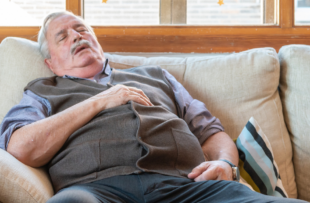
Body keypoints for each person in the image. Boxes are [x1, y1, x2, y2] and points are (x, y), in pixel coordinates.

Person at [0, 11, 306, 203]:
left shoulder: (156, 76)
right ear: (50, 62)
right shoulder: (42, 91)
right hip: (94, 190)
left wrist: (226, 164)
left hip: (186, 187)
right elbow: (20, 148)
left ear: (97, 40)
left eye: (81, 29)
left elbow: (210, 131)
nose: (77, 36)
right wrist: (101, 100)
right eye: (63, 36)